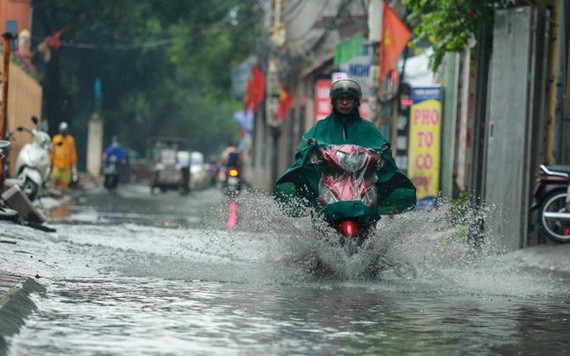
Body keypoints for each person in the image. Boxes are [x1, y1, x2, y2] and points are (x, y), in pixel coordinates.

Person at [274, 76, 416, 221]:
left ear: (356, 102)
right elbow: (305, 147)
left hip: (362, 185)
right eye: (341, 99)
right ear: (334, 102)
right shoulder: (321, 127)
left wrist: (381, 154)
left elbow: (381, 147)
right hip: (329, 184)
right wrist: (312, 151)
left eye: (349, 99)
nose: (345, 103)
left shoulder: (367, 128)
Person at [50, 122, 78, 191]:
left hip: (66, 166)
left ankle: (62, 193)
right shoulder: (56, 139)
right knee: (55, 181)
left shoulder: (70, 140)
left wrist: (74, 163)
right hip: (57, 165)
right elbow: (52, 152)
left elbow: (73, 152)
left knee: (64, 183)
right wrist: (50, 162)